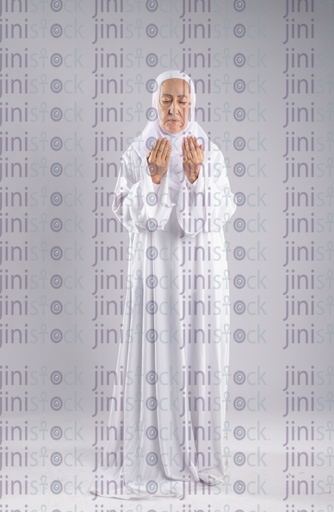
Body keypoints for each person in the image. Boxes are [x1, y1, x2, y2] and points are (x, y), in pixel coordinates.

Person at [90, 70, 237, 500]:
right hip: (155, 271)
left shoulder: (209, 152)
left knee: (197, 348)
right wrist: (152, 178)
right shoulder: (138, 151)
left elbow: (219, 211)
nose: (175, 110)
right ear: (155, 102)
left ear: (193, 105)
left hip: (200, 271)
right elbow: (126, 211)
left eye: (183, 102)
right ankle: (153, 445)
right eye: (167, 101)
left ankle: (197, 448)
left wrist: (195, 178)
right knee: (157, 345)